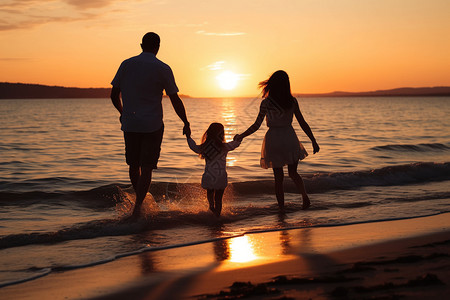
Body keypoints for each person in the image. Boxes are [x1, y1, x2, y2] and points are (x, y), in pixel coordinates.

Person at [110, 32, 190, 218]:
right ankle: (139, 205)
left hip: (130, 123)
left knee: (133, 164)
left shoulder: (126, 64)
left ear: (141, 45)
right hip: (152, 124)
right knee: (146, 166)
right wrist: (185, 121)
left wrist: (123, 113)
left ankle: (139, 203)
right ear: (158, 46)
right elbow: (174, 99)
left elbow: (114, 95)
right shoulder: (163, 68)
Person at [235, 70, 319, 210]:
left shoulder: (266, 103)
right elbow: (302, 122)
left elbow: (256, 125)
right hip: (289, 138)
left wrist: (242, 135)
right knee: (293, 173)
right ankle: (304, 197)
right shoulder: (291, 101)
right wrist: (313, 140)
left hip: (273, 140)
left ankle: (281, 209)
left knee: (278, 178)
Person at [187, 123, 240, 217]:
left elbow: (194, 147)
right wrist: (238, 139)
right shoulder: (224, 147)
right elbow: (235, 144)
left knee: (211, 201)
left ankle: (211, 213)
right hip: (220, 177)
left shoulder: (205, 147)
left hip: (209, 177)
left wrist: (188, 137)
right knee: (218, 200)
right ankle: (217, 219)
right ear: (222, 134)